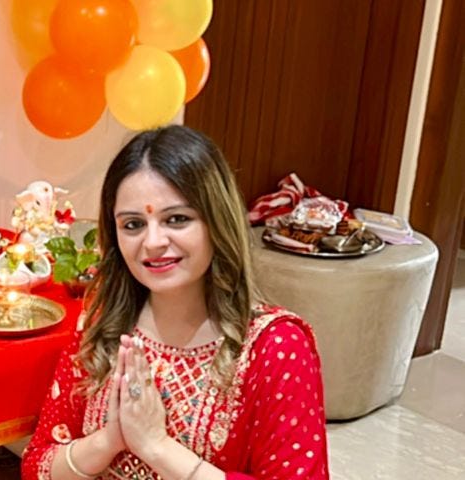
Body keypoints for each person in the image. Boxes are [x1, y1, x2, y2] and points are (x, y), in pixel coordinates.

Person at [22, 126, 329, 480]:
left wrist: (156, 446)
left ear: (217, 220)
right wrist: (108, 440)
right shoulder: (104, 324)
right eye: (133, 224)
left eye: (177, 219)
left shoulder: (275, 348)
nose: (152, 242)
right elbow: (38, 466)